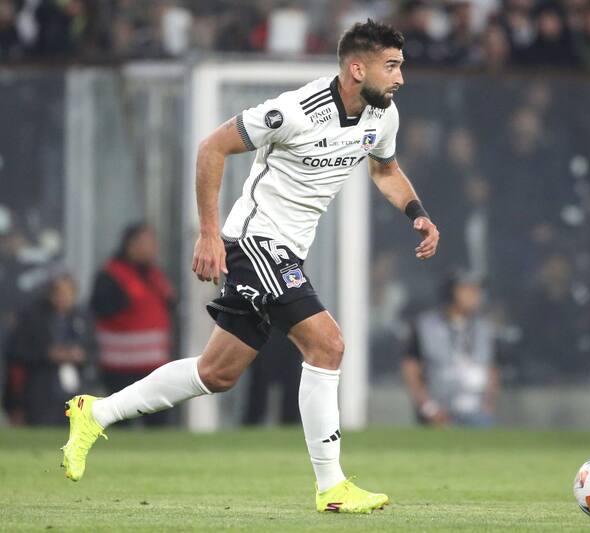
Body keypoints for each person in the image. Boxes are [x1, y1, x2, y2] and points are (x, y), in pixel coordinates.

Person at [60, 19, 440, 514]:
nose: (400, 79)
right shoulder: (295, 111)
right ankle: (332, 486)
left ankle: (95, 412)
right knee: (328, 344)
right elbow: (212, 147)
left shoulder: (381, 117)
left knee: (216, 373)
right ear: (356, 67)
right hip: (256, 243)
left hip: (287, 252)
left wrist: (418, 214)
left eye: (400, 67)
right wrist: (209, 233)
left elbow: (385, 170)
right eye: (391, 67)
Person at [90, 223, 175, 427]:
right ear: (130, 245)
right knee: (121, 423)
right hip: (120, 366)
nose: (152, 248)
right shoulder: (111, 275)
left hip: (155, 367)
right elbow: (100, 308)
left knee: (158, 425)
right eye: (146, 243)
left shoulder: (155, 275)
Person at [402, 272, 499, 427]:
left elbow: (491, 367)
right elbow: (411, 369)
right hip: (440, 412)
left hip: (477, 412)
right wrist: (428, 408)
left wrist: (488, 405)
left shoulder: (484, 328)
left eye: (477, 289)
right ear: (451, 292)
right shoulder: (426, 325)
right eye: (467, 289)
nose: (475, 295)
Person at [4, 272, 93, 425]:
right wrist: (47, 354)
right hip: (42, 389)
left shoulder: (82, 318)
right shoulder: (33, 317)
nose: (63, 298)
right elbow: (16, 351)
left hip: (76, 388)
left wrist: (80, 355)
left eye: (68, 293)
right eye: (59, 293)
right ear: (50, 294)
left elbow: (94, 350)